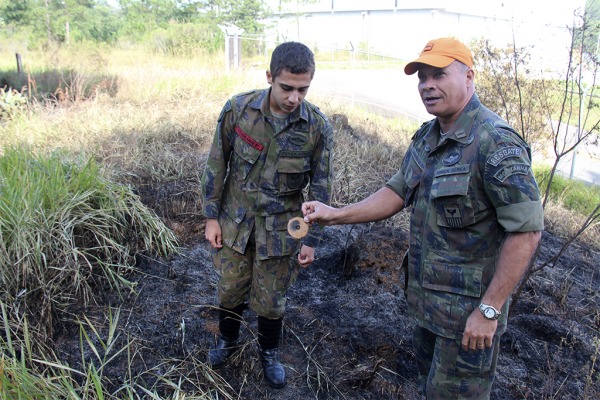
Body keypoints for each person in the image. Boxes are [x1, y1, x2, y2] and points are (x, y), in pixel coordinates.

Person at [302, 37, 543, 399]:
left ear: (468, 77)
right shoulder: (428, 137)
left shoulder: (495, 142)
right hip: (428, 310)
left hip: (468, 322)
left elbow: (525, 232)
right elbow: (397, 192)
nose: (428, 85)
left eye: (439, 75)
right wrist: (335, 215)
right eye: (422, 77)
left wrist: (489, 311)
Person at [200, 41, 333, 389]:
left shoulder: (316, 127)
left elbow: (321, 187)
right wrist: (211, 217)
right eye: (287, 87)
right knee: (229, 290)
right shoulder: (238, 110)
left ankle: (269, 352)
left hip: (283, 229)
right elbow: (217, 163)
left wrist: (311, 240)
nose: (294, 98)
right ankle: (227, 340)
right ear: (270, 76)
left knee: (272, 299)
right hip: (235, 223)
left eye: (303, 89)